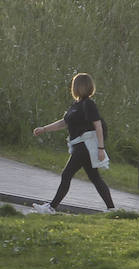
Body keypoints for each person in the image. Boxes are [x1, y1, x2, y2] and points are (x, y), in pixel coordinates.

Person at [32, 71, 115, 212]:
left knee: (67, 174)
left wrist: (101, 149)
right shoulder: (76, 104)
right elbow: (64, 122)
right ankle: (112, 209)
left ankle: (51, 207)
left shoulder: (88, 104)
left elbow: (98, 125)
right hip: (79, 145)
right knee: (95, 177)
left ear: (79, 86)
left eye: (74, 84)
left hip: (85, 146)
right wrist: (44, 129)